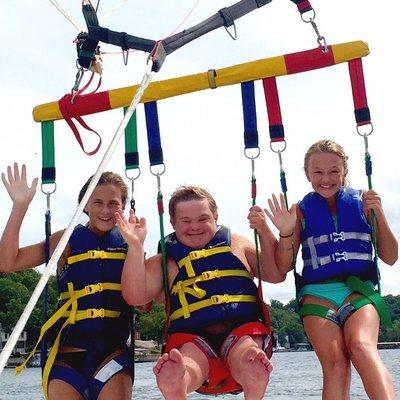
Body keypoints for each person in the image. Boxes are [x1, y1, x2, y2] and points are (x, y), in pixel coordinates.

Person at [257, 140, 398, 400]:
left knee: (361, 347)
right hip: (317, 296)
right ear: (308, 174)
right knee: (336, 364)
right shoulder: (300, 211)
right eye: (318, 172)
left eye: (334, 171)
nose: (326, 179)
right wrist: (286, 232)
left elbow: (390, 257)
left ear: (345, 171)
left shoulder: (364, 203)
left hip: (359, 292)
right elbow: (283, 267)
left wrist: (378, 213)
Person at [116, 185, 286, 400]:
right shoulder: (165, 262)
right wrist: (135, 246)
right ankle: (177, 381)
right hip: (193, 337)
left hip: (242, 331)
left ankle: (253, 376)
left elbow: (276, 273)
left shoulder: (237, 244)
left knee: (247, 353)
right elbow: (135, 296)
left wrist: (264, 230)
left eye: (203, 219)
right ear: (173, 223)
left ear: (215, 217)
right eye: (186, 221)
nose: (194, 227)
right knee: (186, 362)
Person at [0, 163, 134, 400]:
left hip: (111, 355)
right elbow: (8, 263)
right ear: (84, 206)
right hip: (68, 357)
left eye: (113, 203)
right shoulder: (66, 240)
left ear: (123, 207)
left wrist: (137, 247)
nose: (105, 210)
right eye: (97, 202)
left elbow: (144, 303)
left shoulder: (131, 243)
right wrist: (20, 207)